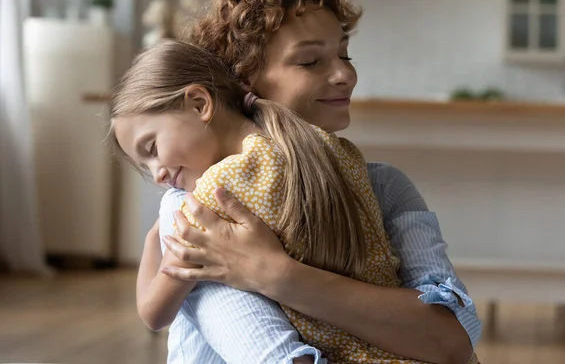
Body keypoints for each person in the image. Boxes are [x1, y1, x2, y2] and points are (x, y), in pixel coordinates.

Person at [154, 0, 481, 363]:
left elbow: (454, 342)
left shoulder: (385, 187)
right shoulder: (207, 202)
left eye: (344, 53)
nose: (345, 74)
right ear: (243, 82)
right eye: (310, 62)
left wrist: (278, 275)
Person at [111, 37, 443, 363]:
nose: (157, 174)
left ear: (200, 103)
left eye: (152, 149)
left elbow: (154, 314)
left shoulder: (216, 192)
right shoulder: (327, 148)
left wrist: (154, 235)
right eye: (145, 166)